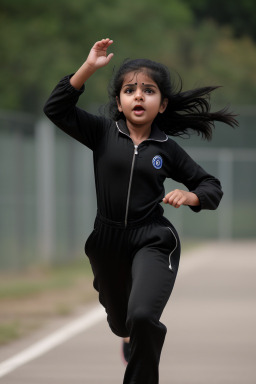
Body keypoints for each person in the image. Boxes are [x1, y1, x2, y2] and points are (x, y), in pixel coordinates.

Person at [44, 38, 238, 384]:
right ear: (118, 102)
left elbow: (211, 186)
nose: (138, 95)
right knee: (124, 323)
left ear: (161, 105)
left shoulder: (168, 149)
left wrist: (190, 196)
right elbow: (56, 108)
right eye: (129, 90)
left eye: (148, 91)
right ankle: (129, 336)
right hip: (106, 242)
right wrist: (88, 66)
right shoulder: (102, 132)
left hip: (152, 239)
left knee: (144, 315)